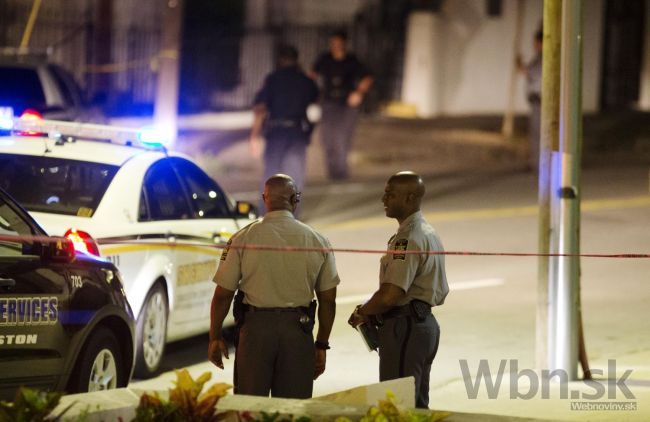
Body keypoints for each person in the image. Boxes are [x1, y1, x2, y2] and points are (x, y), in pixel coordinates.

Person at [208, 174, 339, 399]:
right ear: (294, 199)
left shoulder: (242, 238)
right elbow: (328, 300)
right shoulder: (318, 240)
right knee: (293, 410)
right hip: (298, 332)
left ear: (264, 199)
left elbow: (222, 295)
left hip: (255, 333)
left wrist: (215, 337)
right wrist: (321, 344)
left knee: (252, 408)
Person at [348, 171, 449, 409]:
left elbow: (391, 295)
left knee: (397, 406)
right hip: (422, 325)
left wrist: (363, 312)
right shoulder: (427, 232)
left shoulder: (408, 238)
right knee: (417, 406)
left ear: (409, 198)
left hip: (406, 328)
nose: (384, 199)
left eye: (390, 195)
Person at [250, 45, 319, 211]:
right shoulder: (305, 80)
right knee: (295, 179)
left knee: (270, 176)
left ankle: (265, 213)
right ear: (296, 60)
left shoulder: (273, 79)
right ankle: (293, 217)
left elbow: (260, 107)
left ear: (280, 60)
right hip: (297, 133)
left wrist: (254, 135)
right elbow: (315, 103)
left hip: (275, 133)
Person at [311, 30, 373, 180]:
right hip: (328, 103)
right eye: (333, 44)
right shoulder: (324, 59)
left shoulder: (352, 60)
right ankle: (332, 173)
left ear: (344, 44)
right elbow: (311, 75)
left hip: (346, 105)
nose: (336, 46)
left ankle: (341, 175)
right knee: (326, 139)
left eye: (339, 44)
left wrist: (358, 92)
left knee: (341, 139)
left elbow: (368, 77)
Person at [516, 29, 543, 170]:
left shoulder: (542, 59)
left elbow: (528, 72)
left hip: (540, 101)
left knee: (537, 135)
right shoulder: (538, 58)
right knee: (536, 134)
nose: (535, 46)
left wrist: (519, 64)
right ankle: (536, 162)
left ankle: (537, 164)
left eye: (536, 43)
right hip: (537, 101)